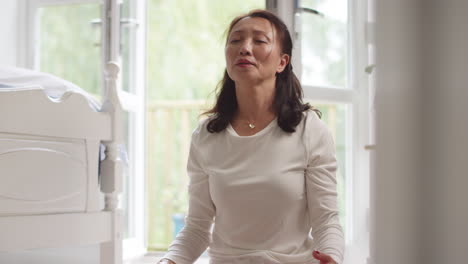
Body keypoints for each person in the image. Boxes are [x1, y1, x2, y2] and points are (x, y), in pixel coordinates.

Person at [158, 9, 345, 264]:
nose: (245, 48)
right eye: (235, 40)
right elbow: (197, 227)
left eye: (259, 41)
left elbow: (326, 222)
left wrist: (332, 257)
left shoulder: (309, 130)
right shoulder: (206, 135)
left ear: (282, 62)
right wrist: (168, 261)